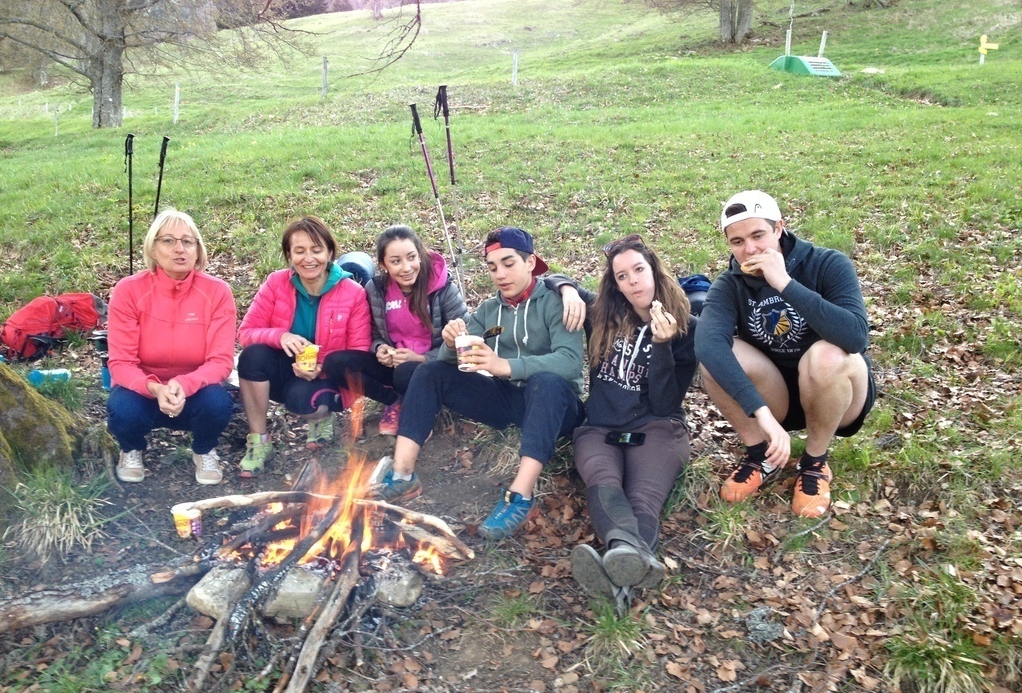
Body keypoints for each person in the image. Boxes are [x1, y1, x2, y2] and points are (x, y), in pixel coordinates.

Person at [372, 226, 586, 540]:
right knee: (430, 372)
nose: (500, 274)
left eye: (508, 264)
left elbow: (570, 362)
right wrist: (449, 343)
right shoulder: (489, 310)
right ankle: (402, 475)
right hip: (509, 400)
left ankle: (520, 496)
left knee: (546, 382)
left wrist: (505, 366)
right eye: (493, 267)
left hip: (558, 407)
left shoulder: (556, 302)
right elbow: (451, 360)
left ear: (530, 262)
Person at [694, 190, 875, 517]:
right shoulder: (730, 285)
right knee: (716, 358)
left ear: (779, 228)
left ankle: (815, 462)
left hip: (836, 396)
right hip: (774, 398)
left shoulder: (827, 263)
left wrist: (784, 283)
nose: (750, 249)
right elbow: (707, 345)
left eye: (758, 235)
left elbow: (855, 337)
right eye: (737, 241)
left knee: (827, 355)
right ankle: (760, 454)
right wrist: (760, 412)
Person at [546, 236, 697, 601]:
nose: (633, 281)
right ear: (615, 284)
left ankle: (619, 569)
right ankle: (632, 563)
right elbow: (550, 277)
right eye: (622, 276)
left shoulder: (687, 328)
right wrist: (568, 289)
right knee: (603, 482)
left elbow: (665, 403)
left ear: (654, 271)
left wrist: (662, 345)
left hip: (657, 428)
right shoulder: (603, 313)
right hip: (600, 427)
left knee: (643, 499)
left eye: (639, 270)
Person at [106, 209, 237, 486]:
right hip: (144, 391)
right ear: (152, 249)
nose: (180, 249)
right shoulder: (128, 290)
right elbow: (120, 363)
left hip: (195, 391)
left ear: (198, 251)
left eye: (188, 242)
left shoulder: (217, 292)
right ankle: (131, 448)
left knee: (219, 403)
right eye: (168, 241)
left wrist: (184, 384)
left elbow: (221, 361)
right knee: (122, 408)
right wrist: (155, 388)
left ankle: (204, 450)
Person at [236, 216, 371, 477]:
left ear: (329, 253)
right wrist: (280, 336)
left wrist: (322, 368)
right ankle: (259, 441)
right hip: (285, 368)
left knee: (301, 400)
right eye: (299, 251)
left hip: (330, 376)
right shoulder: (276, 283)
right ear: (289, 255)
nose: (308, 258)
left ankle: (321, 419)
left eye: (316, 250)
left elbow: (359, 353)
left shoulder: (352, 292)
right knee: (252, 356)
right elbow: (246, 333)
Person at [322, 225, 468, 436]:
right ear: (384, 264)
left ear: (420, 256)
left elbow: (466, 339)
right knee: (335, 363)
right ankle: (395, 402)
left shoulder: (443, 288)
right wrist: (380, 348)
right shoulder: (376, 289)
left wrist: (421, 358)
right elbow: (374, 333)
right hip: (394, 365)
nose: (406, 268)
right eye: (396, 261)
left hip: (433, 367)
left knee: (405, 372)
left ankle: (423, 409)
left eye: (411, 257)